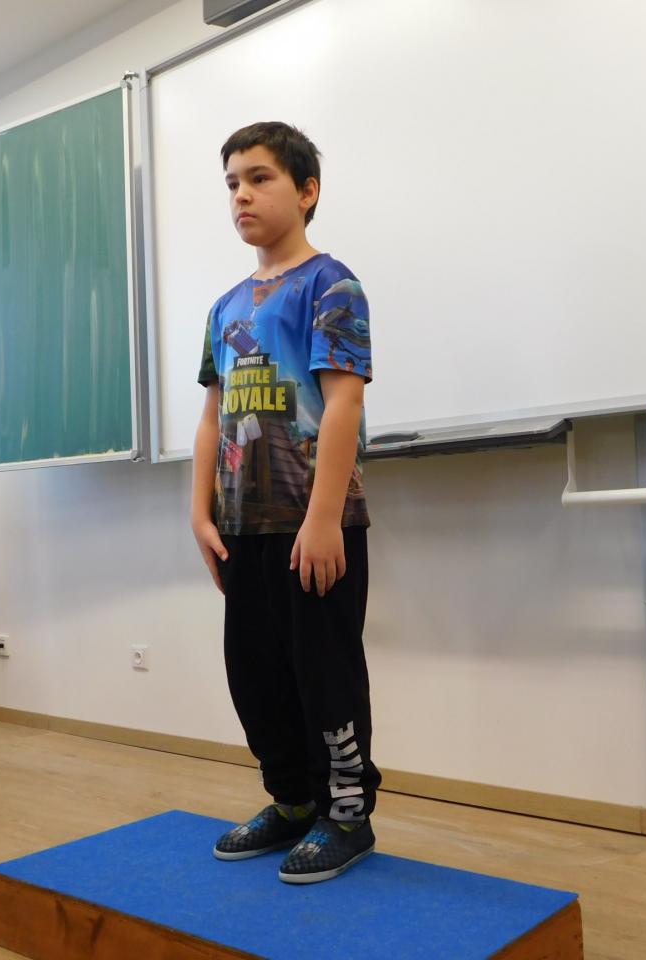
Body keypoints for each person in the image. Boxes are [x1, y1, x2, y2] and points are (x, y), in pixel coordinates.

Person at [190, 122, 379, 884]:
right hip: (243, 526)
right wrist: (200, 513)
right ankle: (293, 801)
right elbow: (212, 418)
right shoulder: (224, 307)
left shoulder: (331, 285)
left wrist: (324, 518)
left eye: (260, 178)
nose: (242, 194)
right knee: (256, 673)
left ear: (306, 192)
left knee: (322, 673)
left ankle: (347, 815)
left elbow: (342, 405)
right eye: (232, 182)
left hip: (314, 523)